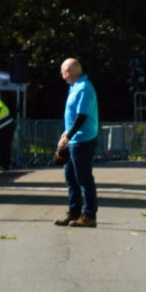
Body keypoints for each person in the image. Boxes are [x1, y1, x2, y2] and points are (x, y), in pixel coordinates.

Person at [54, 58, 99, 227]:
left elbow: (82, 116)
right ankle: (74, 212)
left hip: (82, 140)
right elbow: (73, 117)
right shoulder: (75, 88)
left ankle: (89, 215)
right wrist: (65, 135)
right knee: (71, 178)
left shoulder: (84, 88)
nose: (62, 76)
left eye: (62, 72)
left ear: (67, 72)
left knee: (84, 179)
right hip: (74, 139)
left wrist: (68, 136)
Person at [0, 90, 14, 171]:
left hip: (5, 128)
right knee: (3, 146)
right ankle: (4, 164)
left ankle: (4, 164)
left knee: (4, 147)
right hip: (4, 128)